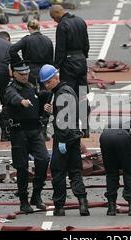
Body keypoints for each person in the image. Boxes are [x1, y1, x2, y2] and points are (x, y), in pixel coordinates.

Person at [40, 64, 89, 216]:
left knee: (58, 173)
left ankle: (59, 206)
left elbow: (64, 121)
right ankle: (82, 204)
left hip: (64, 138)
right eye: (45, 83)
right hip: (73, 138)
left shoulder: (61, 93)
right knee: (75, 172)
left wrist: (62, 141)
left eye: (48, 82)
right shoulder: (64, 91)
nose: (46, 85)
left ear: (56, 78)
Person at [4, 60, 50, 213]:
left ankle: (36, 195)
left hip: (35, 131)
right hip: (19, 132)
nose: (25, 76)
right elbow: (12, 97)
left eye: (27, 73)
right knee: (21, 167)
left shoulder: (31, 86)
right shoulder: (11, 88)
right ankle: (23, 200)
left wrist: (45, 106)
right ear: (14, 74)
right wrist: (21, 101)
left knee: (43, 159)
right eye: (21, 74)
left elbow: (40, 98)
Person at [8, 19, 54, 141]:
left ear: (29, 28)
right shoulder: (47, 40)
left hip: (31, 71)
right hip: (45, 70)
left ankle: (35, 128)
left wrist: (21, 63)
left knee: (33, 98)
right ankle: (44, 128)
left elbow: (12, 49)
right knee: (46, 99)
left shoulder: (26, 40)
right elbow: (51, 58)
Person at [49, 5, 90, 137]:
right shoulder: (80, 20)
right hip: (81, 60)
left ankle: (72, 127)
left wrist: (56, 66)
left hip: (69, 63)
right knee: (83, 95)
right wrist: (83, 56)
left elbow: (61, 48)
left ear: (56, 15)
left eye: (54, 18)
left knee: (68, 95)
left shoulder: (62, 26)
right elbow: (86, 43)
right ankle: (86, 128)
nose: (55, 21)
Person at [99, 121, 131, 216]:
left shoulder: (116, 124)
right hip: (122, 137)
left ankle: (111, 207)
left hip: (105, 136)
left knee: (111, 174)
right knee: (129, 173)